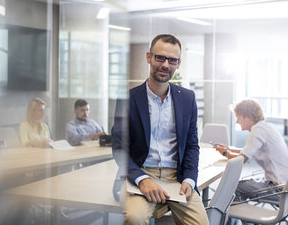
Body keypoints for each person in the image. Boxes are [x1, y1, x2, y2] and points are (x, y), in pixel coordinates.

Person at [111, 34, 208, 225]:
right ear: (149, 57)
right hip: (141, 172)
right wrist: (142, 179)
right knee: (134, 218)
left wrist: (189, 179)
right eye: (160, 57)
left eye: (172, 60)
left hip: (177, 177)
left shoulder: (187, 98)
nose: (165, 64)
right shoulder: (128, 99)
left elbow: (191, 145)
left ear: (178, 63)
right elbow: (119, 148)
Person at [214, 99, 288, 202]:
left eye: (238, 117)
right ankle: (235, 217)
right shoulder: (265, 127)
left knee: (233, 187)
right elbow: (248, 151)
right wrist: (229, 149)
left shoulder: (258, 130)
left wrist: (225, 153)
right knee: (239, 186)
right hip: (283, 185)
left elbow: (242, 159)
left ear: (247, 117)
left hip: (278, 189)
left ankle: (236, 217)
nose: (237, 121)